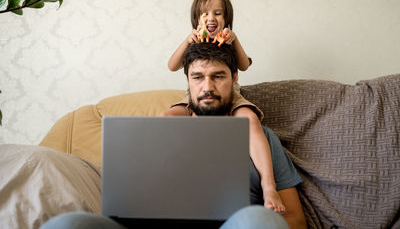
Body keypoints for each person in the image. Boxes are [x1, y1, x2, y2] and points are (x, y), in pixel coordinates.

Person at [40, 42, 307, 229]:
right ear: (187, 82)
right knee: (66, 224)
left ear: (234, 78)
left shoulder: (262, 137)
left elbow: (295, 220)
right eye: (198, 77)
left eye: (218, 76)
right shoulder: (150, 134)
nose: (207, 87)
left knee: (260, 222)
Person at [162, 0, 285, 213]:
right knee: (165, 119)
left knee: (249, 120)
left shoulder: (228, 39)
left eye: (217, 13)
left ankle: (268, 185)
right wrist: (186, 41)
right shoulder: (193, 40)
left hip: (231, 96)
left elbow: (244, 65)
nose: (211, 18)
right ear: (196, 20)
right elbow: (172, 66)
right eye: (204, 14)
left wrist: (235, 39)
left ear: (226, 18)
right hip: (193, 98)